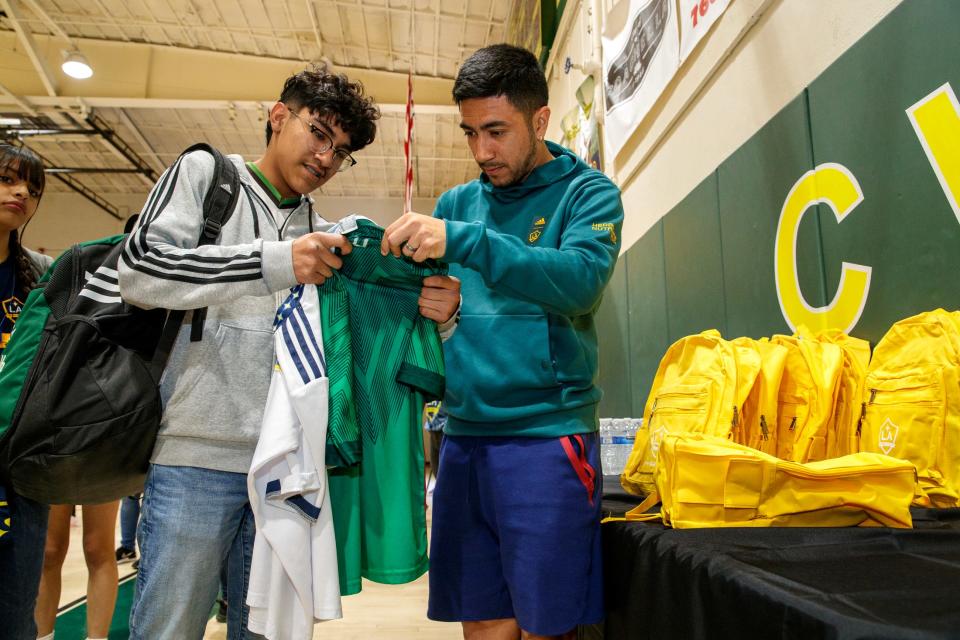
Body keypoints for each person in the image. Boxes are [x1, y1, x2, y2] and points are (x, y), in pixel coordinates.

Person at [117, 66, 460, 639]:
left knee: (267, 633)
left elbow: (376, 339)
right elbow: (140, 271)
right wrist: (276, 260)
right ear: (279, 116)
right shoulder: (207, 174)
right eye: (319, 133)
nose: (327, 157)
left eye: (341, 150)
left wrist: (443, 317)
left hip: (287, 472)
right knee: (166, 629)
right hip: (194, 460)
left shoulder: (328, 237)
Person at [381, 44, 624, 640]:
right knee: (484, 623)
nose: (481, 151)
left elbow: (579, 283)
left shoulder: (588, 195)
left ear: (540, 120)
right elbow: (449, 321)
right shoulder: (458, 205)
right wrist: (443, 311)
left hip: (546, 439)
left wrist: (467, 244)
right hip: (462, 441)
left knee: (548, 626)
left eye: (496, 131)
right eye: (470, 133)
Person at [0, 142, 53, 640]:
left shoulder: (37, 275)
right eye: (8, 180)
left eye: (32, 188)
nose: (20, 193)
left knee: (16, 614)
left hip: (19, 472)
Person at [35, 501, 121, 640]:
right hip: (55, 479)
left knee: (97, 549)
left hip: (101, 479)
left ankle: (97, 638)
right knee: (49, 551)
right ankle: (42, 637)